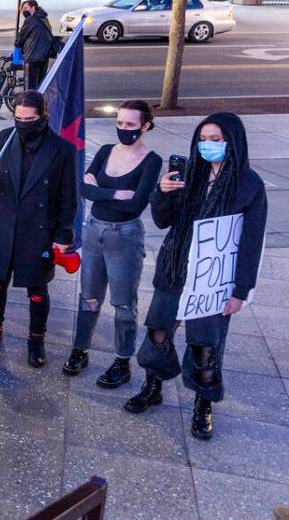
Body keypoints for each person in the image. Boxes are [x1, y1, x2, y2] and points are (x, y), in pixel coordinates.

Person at [124, 113, 267, 440]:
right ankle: (153, 386)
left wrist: (240, 291)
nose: (209, 146)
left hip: (212, 279)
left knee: (205, 346)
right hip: (175, 269)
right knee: (158, 333)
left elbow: (251, 241)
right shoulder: (191, 174)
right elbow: (163, 221)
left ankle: (204, 403)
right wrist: (161, 192)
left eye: (217, 140)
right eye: (204, 139)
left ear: (233, 141)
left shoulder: (249, 185)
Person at [0, 90, 78, 367]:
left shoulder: (61, 149)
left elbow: (68, 196)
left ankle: (36, 338)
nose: (23, 124)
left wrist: (63, 234)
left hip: (38, 229)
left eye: (29, 119)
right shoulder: (5, 138)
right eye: (18, 118)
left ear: (42, 117)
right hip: (3, 222)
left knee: (37, 288)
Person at [63, 101, 162, 383]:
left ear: (145, 126)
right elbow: (84, 188)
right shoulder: (107, 151)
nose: (123, 129)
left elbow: (136, 205)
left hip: (125, 235)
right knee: (89, 297)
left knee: (123, 303)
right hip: (94, 231)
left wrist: (101, 190)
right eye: (119, 123)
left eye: (130, 125)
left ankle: (122, 361)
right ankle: (80, 350)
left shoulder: (152, 161)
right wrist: (118, 194)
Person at [16, 0, 55, 92]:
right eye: (22, 9)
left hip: (32, 57)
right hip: (44, 57)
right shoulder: (44, 19)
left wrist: (17, 43)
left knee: (30, 86)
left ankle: (30, 104)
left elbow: (21, 38)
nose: (23, 11)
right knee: (40, 84)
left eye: (25, 8)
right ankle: (39, 104)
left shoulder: (30, 20)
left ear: (33, 8)